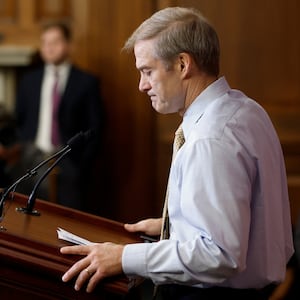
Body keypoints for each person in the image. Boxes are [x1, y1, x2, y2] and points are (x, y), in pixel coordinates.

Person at [60, 7, 294, 299]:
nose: (142, 85)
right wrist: (175, 225)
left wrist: (124, 258)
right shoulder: (245, 110)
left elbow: (219, 255)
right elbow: (247, 216)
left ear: (183, 64)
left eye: (147, 71)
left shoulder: (210, 139)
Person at [14, 21, 105, 210]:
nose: (49, 47)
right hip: (31, 159)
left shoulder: (86, 82)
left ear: (69, 45)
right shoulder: (29, 81)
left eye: (55, 42)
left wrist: (80, 164)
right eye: (45, 42)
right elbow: (20, 118)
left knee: (66, 219)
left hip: (68, 161)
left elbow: (95, 127)